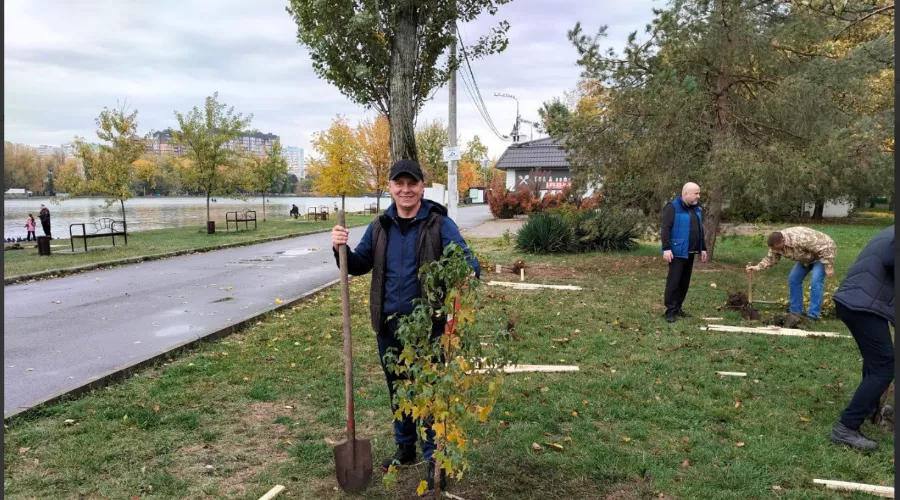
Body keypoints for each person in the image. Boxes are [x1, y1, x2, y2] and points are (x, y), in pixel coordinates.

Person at [331, 159, 480, 491]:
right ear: (390, 188)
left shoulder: (440, 225)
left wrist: (469, 271)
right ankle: (405, 447)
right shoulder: (380, 226)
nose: (405, 189)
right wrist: (339, 246)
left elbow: (466, 260)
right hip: (389, 326)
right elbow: (357, 264)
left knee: (426, 392)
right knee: (398, 390)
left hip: (429, 328)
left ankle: (432, 457)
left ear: (422, 187)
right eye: (399, 183)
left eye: (411, 183)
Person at [828, 225, 893, 451]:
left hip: (855, 299)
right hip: (863, 305)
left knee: (876, 361)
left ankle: (869, 409)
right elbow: (891, 260)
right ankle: (845, 428)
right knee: (884, 366)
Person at [745, 227, 836, 320]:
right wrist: (757, 267)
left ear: (782, 241)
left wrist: (828, 266)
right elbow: (771, 259)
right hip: (806, 257)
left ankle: (813, 316)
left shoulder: (800, 238)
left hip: (822, 254)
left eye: (777, 248)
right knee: (794, 279)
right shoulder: (775, 244)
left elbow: (825, 248)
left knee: (815, 282)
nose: (776, 250)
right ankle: (796, 312)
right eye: (774, 248)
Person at [661, 182, 708, 323]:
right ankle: (670, 311)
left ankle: (678, 308)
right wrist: (666, 249)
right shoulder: (672, 208)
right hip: (676, 252)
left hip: (691, 251)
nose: (698, 196)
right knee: (674, 282)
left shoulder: (697, 209)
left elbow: (700, 230)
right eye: (696, 193)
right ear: (685, 193)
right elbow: (665, 229)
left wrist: (703, 248)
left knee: (684, 283)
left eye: (699, 193)